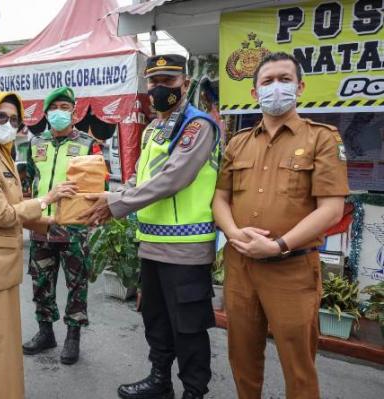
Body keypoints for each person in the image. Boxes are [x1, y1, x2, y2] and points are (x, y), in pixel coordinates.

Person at [212, 52, 348, 399]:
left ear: (300, 87)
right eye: (267, 81)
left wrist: (278, 245)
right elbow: (220, 199)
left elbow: (331, 209)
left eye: (284, 80)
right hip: (240, 266)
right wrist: (232, 232)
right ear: (255, 93)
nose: (276, 87)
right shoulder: (238, 142)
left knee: (298, 365)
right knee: (242, 359)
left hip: (292, 270)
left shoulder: (322, 139)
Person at [83, 54, 220, 399]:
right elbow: (139, 180)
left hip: (187, 248)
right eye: (154, 82)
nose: (160, 89)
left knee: (188, 328)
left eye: (169, 82)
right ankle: (160, 380)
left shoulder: (196, 125)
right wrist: (111, 196)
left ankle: (193, 392)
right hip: (152, 243)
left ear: (185, 84)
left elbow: (174, 178)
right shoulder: (153, 129)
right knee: (155, 320)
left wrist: (116, 204)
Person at [0, 91, 77, 399]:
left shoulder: (1, 152)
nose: (7, 123)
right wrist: (48, 199)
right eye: (0, 117)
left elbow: (16, 207)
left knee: (2, 348)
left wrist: (51, 221)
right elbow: (0, 214)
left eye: (14, 119)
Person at [22, 86, 94, 365]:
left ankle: (73, 337)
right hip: (42, 225)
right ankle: (45, 332)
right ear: (46, 113)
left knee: (76, 283)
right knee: (41, 282)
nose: (60, 113)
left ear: (74, 112)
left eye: (66, 108)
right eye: (56, 108)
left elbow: (96, 186)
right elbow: (30, 182)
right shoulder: (35, 143)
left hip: (74, 226)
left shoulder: (88, 144)